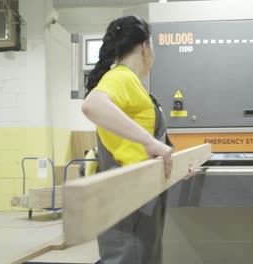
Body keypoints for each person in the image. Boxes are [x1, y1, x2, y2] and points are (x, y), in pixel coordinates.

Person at [82, 15, 193, 264]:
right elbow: (92, 106)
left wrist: (173, 163)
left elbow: (136, 147)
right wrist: (150, 142)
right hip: (127, 204)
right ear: (145, 46)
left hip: (140, 202)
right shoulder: (121, 77)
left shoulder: (135, 85)